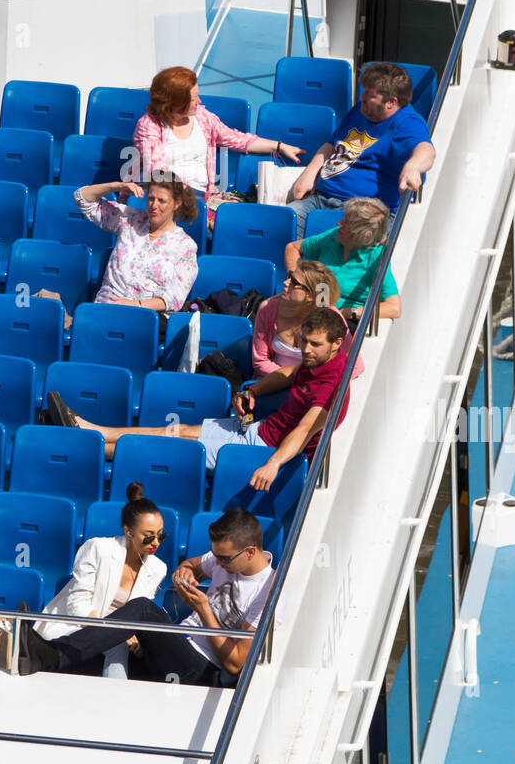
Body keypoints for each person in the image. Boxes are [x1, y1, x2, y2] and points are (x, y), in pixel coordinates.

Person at [47, 307, 351, 481]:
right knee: (176, 431)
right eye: (305, 342)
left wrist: (272, 464)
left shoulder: (333, 383)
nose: (306, 350)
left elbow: (306, 428)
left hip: (262, 451)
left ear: (337, 343)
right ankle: (96, 430)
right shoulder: (315, 360)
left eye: (315, 345)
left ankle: (89, 447)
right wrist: (253, 389)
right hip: (258, 429)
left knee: (176, 448)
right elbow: (291, 373)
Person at [20, 508, 275, 686]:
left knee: (142, 608)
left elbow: (235, 664)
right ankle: (36, 657)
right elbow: (190, 565)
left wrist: (205, 610)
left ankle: (52, 655)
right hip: (175, 647)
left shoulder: (267, 593)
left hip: (201, 669)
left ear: (251, 551)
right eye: (215, 555)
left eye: (224, 559)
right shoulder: (224, 559)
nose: (217, 563)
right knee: (103, 656)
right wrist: (184, 577)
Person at [286, 62, 436, 237]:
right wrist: (308, 174)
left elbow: (426, 150)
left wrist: (413, 167)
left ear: (391, 102)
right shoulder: (362, 110)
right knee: (282, 227)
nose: (362, 97)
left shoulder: (407, 123)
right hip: (321, 198)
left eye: (369, 95)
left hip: (364, 212)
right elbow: (332, 144)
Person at [132, 66, 304, 204]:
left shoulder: (202, 117)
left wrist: (279, 146)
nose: (199, 102)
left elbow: (237, 139)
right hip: (164, 198)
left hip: (198, 197)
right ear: (176, 103)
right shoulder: (149, 125)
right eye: (194, 99)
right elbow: (158, 172)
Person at [35, 482, 166, 643]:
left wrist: (134, 638)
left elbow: (138, 618)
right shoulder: (98, 548)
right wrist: (110, 635)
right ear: (128, 532)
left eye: (160, 535)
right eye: (149, 535)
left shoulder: (158, 568)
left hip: (119, 639)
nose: (156, 542)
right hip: (75, 627)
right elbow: (78, 605)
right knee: (113, 649)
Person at [75, 171, 198, 312]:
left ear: (177, 203)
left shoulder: (185, 246)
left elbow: (173, 299)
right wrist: (117, 186)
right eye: (151, 198)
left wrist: (134, 305)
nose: (154, 205)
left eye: (161, 200)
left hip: (143, 316)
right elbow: (82, 199)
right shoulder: (132, 220)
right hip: (105, 307)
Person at [285, 197, 401, 328]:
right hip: (312, 308)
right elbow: (293, 248)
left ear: (363, 236)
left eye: (346, 223)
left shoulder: (376, 257)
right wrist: (293, 278)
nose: (339, 223)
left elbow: (394, 307)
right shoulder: (334, 236)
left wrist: (349, 312)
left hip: (342, 323)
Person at [252, 258, 364, 380]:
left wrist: (311, 382)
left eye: (294, 282)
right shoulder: (268, 308)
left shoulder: (331, 318)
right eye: (289, 276)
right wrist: (289, 379)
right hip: (272, 380)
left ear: (310, 295)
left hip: (311, 385)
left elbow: (355, 367)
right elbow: (260, 361)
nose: (285, 282)